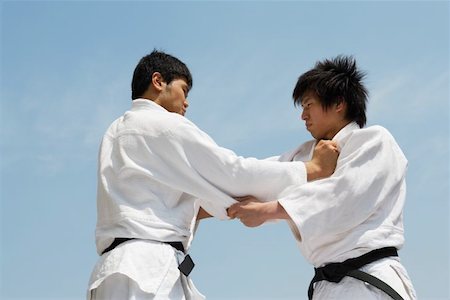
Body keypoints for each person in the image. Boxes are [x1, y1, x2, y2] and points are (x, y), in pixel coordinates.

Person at [86, 50, 339, 300]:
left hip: (115, 272)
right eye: (184, 90)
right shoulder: (163, 125)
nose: (186, 102)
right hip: (147, 272)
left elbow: (172, 201)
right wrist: (310, 169)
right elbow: (232, 173)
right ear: (158, 81)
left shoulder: (114, 133)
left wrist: (235, 206)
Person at [228, 56, 417, 300]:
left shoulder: (374, 142)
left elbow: (343, 197)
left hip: (370, 279)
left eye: (308, 105)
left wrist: (267, 211)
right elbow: (255, 176)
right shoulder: (304, 156)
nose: (303, 116)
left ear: (339, 103)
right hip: (326, 287)